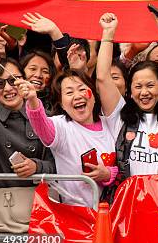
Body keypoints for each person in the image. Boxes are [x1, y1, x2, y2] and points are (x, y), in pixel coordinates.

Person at [96, 12, 158, 197]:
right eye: (138, 87)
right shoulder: (120, 114)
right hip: (131, 204)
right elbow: (102, 77)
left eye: (150, 85)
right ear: (130, 92)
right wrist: (108, 35)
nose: (144, 92)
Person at [20, 69, 121, 207]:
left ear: (94, 96)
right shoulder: (61, 126)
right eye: (69, 92)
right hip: (75, 216)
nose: (77, 96)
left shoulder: (111, 123)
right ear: (61, 103)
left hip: (112, 213)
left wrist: (108, 174)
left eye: (81, 89)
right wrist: (32, 100)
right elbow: (41, 125)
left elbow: (124, 167)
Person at [0, 58, 55, 233]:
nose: (8, 88)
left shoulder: (47, 116)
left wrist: (36, 166)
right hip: (2, 212)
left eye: (13, 80)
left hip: (44, 210)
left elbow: (60, 163)